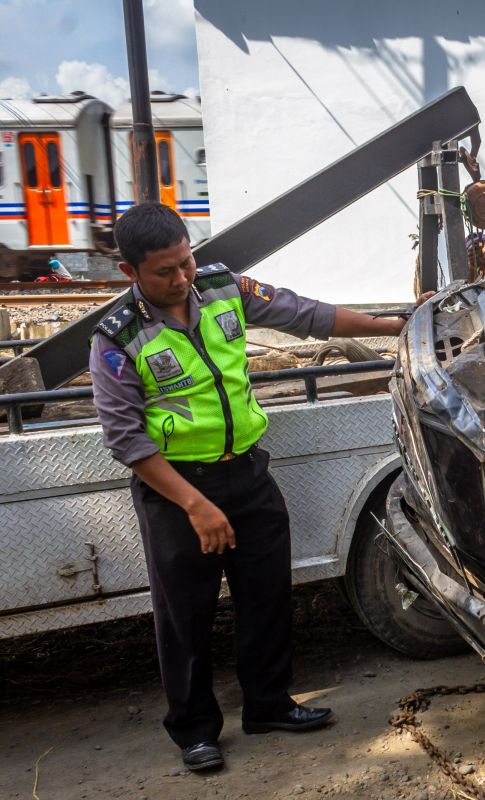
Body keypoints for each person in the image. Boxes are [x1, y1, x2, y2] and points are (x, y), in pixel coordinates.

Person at [89, 203, 417, 773]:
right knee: (184, 615)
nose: (181, 279)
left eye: (185, 262)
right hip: (177, 493)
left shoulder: (223, 287)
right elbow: (127, 441)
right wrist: (196, 506)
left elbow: (306, 315)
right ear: (130, 273)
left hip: (247, 473)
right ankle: (194, 731)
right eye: (164, 271)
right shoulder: (117, 338)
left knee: (266, 595)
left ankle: (268, 704)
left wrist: (393, 328)